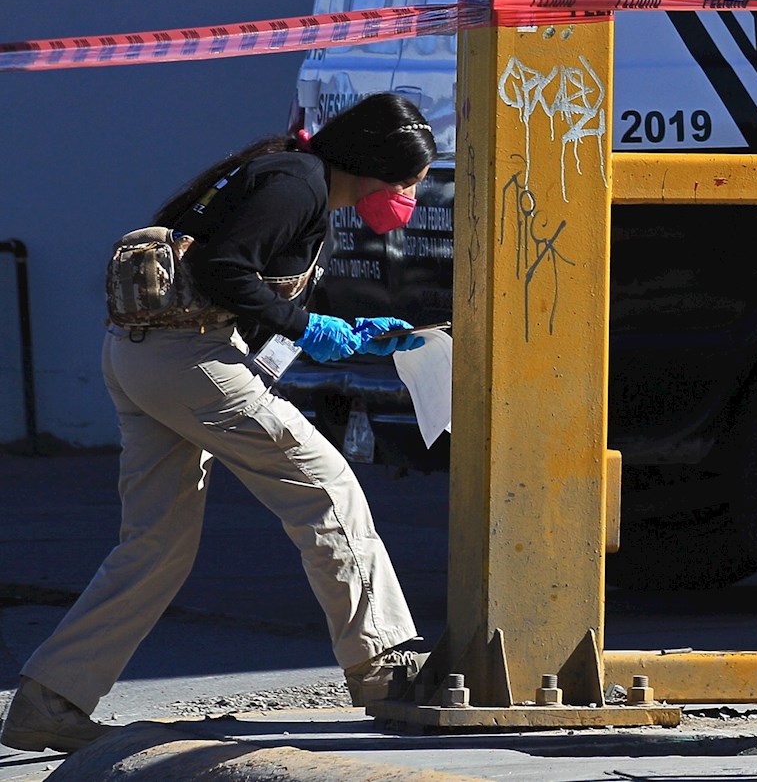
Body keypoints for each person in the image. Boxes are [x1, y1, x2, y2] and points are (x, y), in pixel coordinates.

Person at [1, 93, 437, 752]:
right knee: (325, 485)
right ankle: (381, 665)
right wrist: (309, 326)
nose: (408, 196)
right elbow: (222, 267)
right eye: (407, 181)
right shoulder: (300, 185)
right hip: (190, 358)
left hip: (145, 356)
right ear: (375, 167)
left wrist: (344, 334)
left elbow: (244, 287)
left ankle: (49, 700)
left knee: (155, 543)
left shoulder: (291, 176)